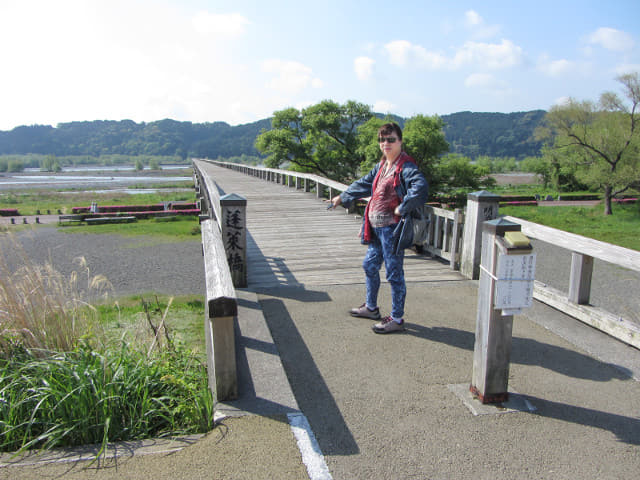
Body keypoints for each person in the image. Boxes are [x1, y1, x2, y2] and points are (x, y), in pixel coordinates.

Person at [328, 122, 428, 334]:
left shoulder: (406, 166)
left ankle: (397, 318)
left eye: (391, 139)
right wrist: (342, 197)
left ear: (400, 141)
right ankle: (371, 307)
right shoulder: (382, 166)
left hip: (392, 230)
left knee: (394, 273)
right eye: (382, 140)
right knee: (370, 266)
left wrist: (403, 206)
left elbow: (420, 187)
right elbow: (363, 183)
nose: (386, 143)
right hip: (376, 229)